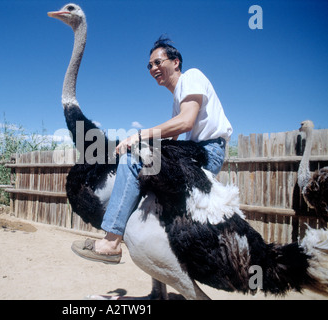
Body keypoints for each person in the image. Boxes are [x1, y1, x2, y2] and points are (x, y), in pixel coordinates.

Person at [71, 36, 233, 264]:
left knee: (131, 159)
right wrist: (146, 145)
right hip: (197, 150)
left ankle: (111, 242)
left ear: (176, 62)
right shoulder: (178, 98)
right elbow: (173, 137)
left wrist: (138, 137)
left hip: (207, 152)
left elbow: (185, 122)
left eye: (158, 62)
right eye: (149, 66)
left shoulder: (192, 76)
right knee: (145, 157)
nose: (153, 68)